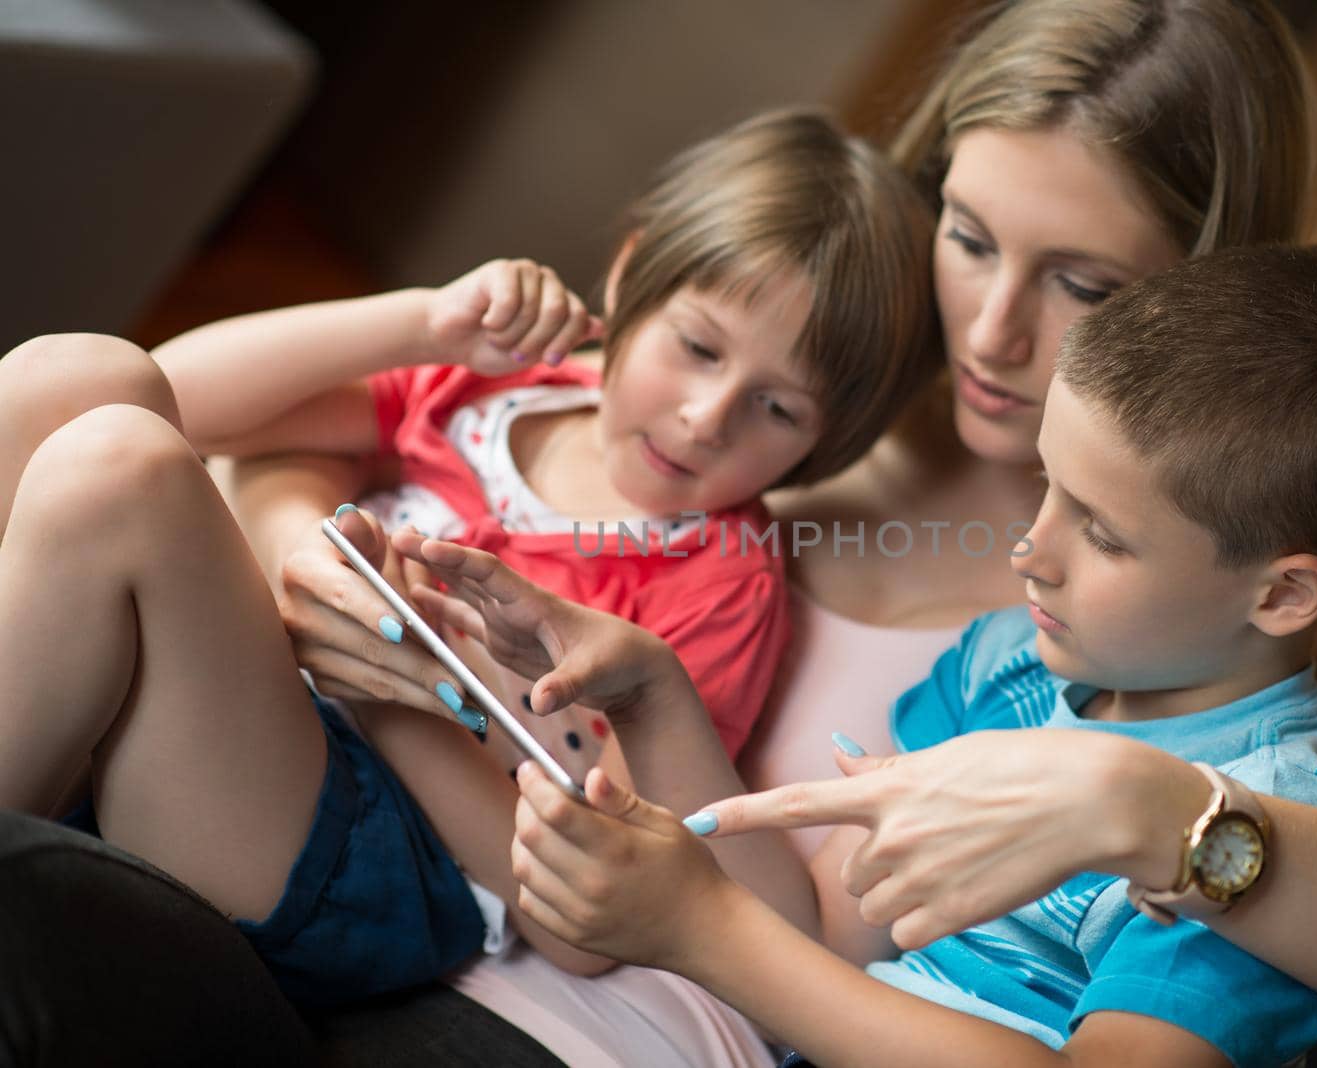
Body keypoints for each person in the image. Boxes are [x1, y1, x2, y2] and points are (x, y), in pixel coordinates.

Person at [223, 0, 1317, 1056]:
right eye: (969, 238)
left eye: (1085, 284)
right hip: (364, 882)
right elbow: (350, 438)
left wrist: (1151, 804)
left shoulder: (1189, 628)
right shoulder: (769, 405)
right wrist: (307, 549)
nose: (990, 334)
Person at [0, 108, 931, 1004]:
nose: (706, 417)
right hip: (248, 705)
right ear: (631, 271)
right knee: (74, 380)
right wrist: (419, 322)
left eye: (779, 409)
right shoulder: (505, 383)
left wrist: (399, 683)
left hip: (364, 849)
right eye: (696, 347)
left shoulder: (721, 582)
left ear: (825, 442)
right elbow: (177, 391)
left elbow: (582, 907)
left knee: (121, 467)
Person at [474, 242, 1317, 1066]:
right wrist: (656, 696)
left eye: (1101, 534)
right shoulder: (1006, 665)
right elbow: (835, 936)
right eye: (1047, 487)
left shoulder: (1261, 836)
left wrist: (701, 929)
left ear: (1281, 594)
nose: (1030, 553)